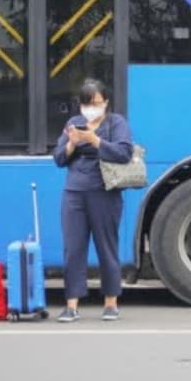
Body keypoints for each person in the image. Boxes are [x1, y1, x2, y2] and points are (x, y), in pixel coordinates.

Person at [52, 78, 134, 322]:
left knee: (106, 247)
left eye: (97, 103)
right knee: (73, 248)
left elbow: (124, 153)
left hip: (104, 193)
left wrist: (94, 140)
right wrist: (71, 144)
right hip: (74, 193)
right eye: (87, 103)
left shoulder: (116, 123)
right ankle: (72, 305)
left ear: (105, 102)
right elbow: (58, 158)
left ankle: (111, 302)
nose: (92, 108)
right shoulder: (73, 123)